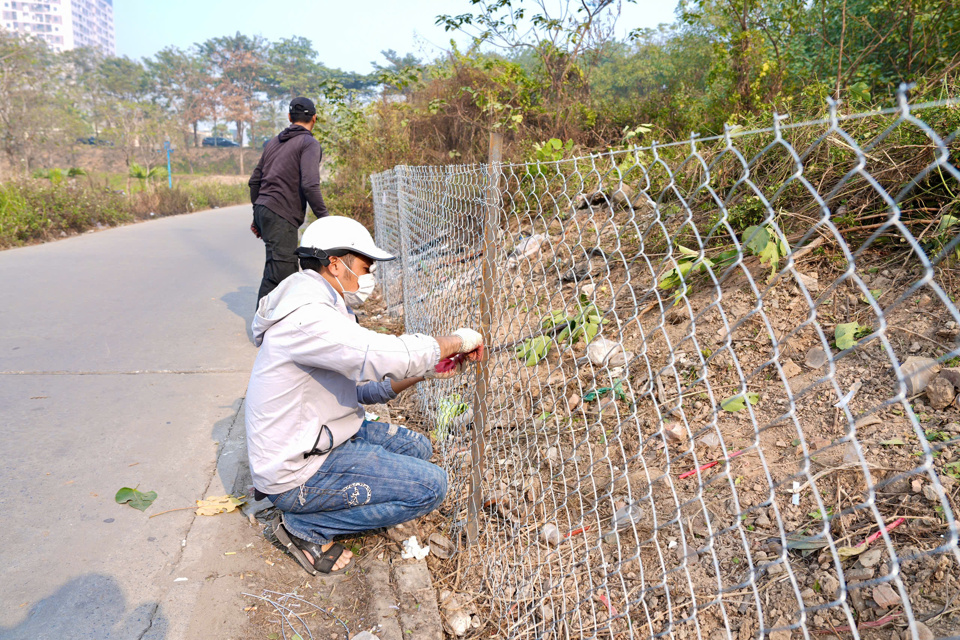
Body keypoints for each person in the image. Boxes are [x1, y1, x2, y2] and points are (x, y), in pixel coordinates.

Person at [245, 215, 483, 575]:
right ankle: (306, 527)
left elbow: (363, 389)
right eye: (364, 266)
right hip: (295, 467)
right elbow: (379, 354)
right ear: (335, 264)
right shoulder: (308, 317)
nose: (368, 276)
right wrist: (459, 340)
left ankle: (323, 500)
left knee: (419, 448)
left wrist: (427, 370)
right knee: (431, 487)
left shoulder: (325, 305)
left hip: (316, 438)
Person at [248, 96, 329, 302]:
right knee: (281, 275)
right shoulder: (309, 143)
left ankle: (274, 326)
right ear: (315, 118)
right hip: (280, 213)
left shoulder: (273, 142)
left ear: (289, 117)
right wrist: (326, 220)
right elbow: (310, 185)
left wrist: (258, 217)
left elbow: (254, 182)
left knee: (279, 267)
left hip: (264, 209)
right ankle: (265, 329)